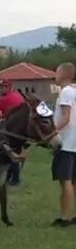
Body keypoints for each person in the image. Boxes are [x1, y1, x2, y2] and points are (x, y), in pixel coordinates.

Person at [51, 63, 76, 227]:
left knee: (65, 180)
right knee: (74, 180)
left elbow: (65, 117)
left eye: (57, 72)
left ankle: (65, 217)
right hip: (74, 142)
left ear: (64, 74)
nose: (55, 75)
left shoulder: (66, 92)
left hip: (66, 143)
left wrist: (52, 132)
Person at [0, 79, 24, 186]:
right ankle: (11, 177)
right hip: (20, 129)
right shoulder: (17, 96)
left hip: (10, 129)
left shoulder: (4, 99)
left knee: (9, 153)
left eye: (1, 87)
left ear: (7, 87)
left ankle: (14, 179)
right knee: (14, 152)